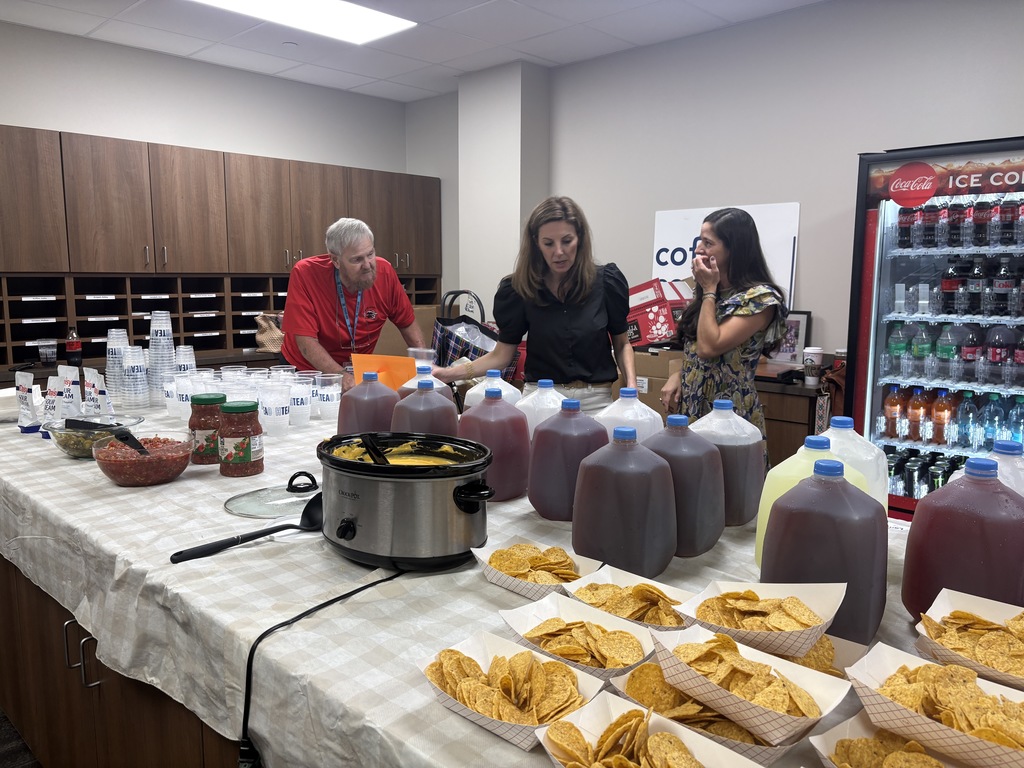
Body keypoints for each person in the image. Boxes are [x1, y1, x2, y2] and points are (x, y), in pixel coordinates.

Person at [433, 196, 636, 413]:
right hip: (539, 401)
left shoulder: (606, 283)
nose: (559, 251)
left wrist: (631, 387)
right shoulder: (519, 289)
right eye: (548, 243)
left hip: (596, 402)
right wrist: (447, 374)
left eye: (567, 241)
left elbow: (622, 344)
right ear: (536, 244)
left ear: (581, 239)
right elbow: (501, 355)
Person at [659, 207, 787, 438]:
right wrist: (679, 374)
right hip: (693, 408)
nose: (698, 249)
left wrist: (709, 289)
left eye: (708, 243)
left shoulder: (761, 299)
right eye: (699, 240)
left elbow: (710, 347)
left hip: (731, 417)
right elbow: (696, 351)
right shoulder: (710, 293)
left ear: (733, 250)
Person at [281, 217, 425, 389]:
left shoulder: (385, 272)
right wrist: (342, 377)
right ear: (335, 260)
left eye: (370, 254)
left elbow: (407, 323)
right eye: (357, 260)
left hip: (357, 370)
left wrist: (424, 367)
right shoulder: (305, 274)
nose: (367, 265)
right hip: (307, 372)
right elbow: (306, 343)